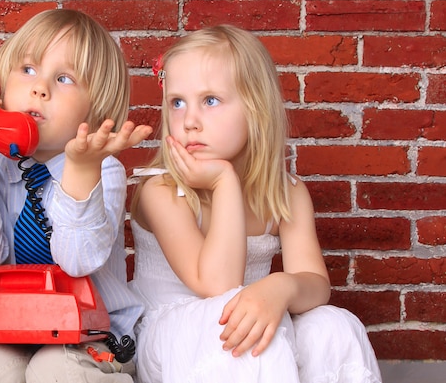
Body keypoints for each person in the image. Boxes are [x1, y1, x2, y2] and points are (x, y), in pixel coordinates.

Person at [128, 25, 382, 382]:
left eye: (210, 100)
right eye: (177, 102)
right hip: (171, 337)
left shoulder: (287, 191)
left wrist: (282, 286)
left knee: (333, 324)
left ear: (255, 108)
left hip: (245, 318)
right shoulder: (161, 189)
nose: (190, 121)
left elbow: (316, 284)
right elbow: (218, 284)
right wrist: (223, 183)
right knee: (239, 330)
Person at [0, 9, 153, 383]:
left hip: (93, 334)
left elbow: (76, 261)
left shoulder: (103, 171)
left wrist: (81, 171)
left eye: (64, 78)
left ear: (96, 108)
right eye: (27, 69)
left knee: (57, 369)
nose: (40, 88)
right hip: (10, 325)